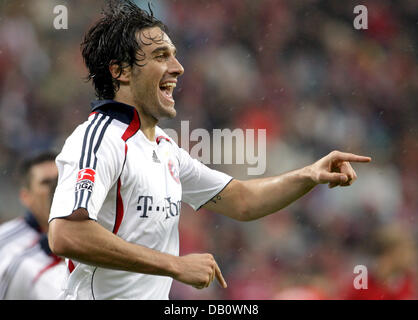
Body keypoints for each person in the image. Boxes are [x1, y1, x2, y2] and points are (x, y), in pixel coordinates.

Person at [48, 0, 372, 300]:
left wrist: (310, 175)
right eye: (161, 56)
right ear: (120, 71)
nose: (178, 67)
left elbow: (243, 201)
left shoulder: (164, 148)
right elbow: (65, 235)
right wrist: (174, 265)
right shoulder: (97, 139)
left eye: (173, 54)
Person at [0, 152, 66, 299]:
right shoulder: (5, 244)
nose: (55, 188)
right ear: (26, 197)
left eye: (61, 179)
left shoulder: (88, 236)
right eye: (46, 182)